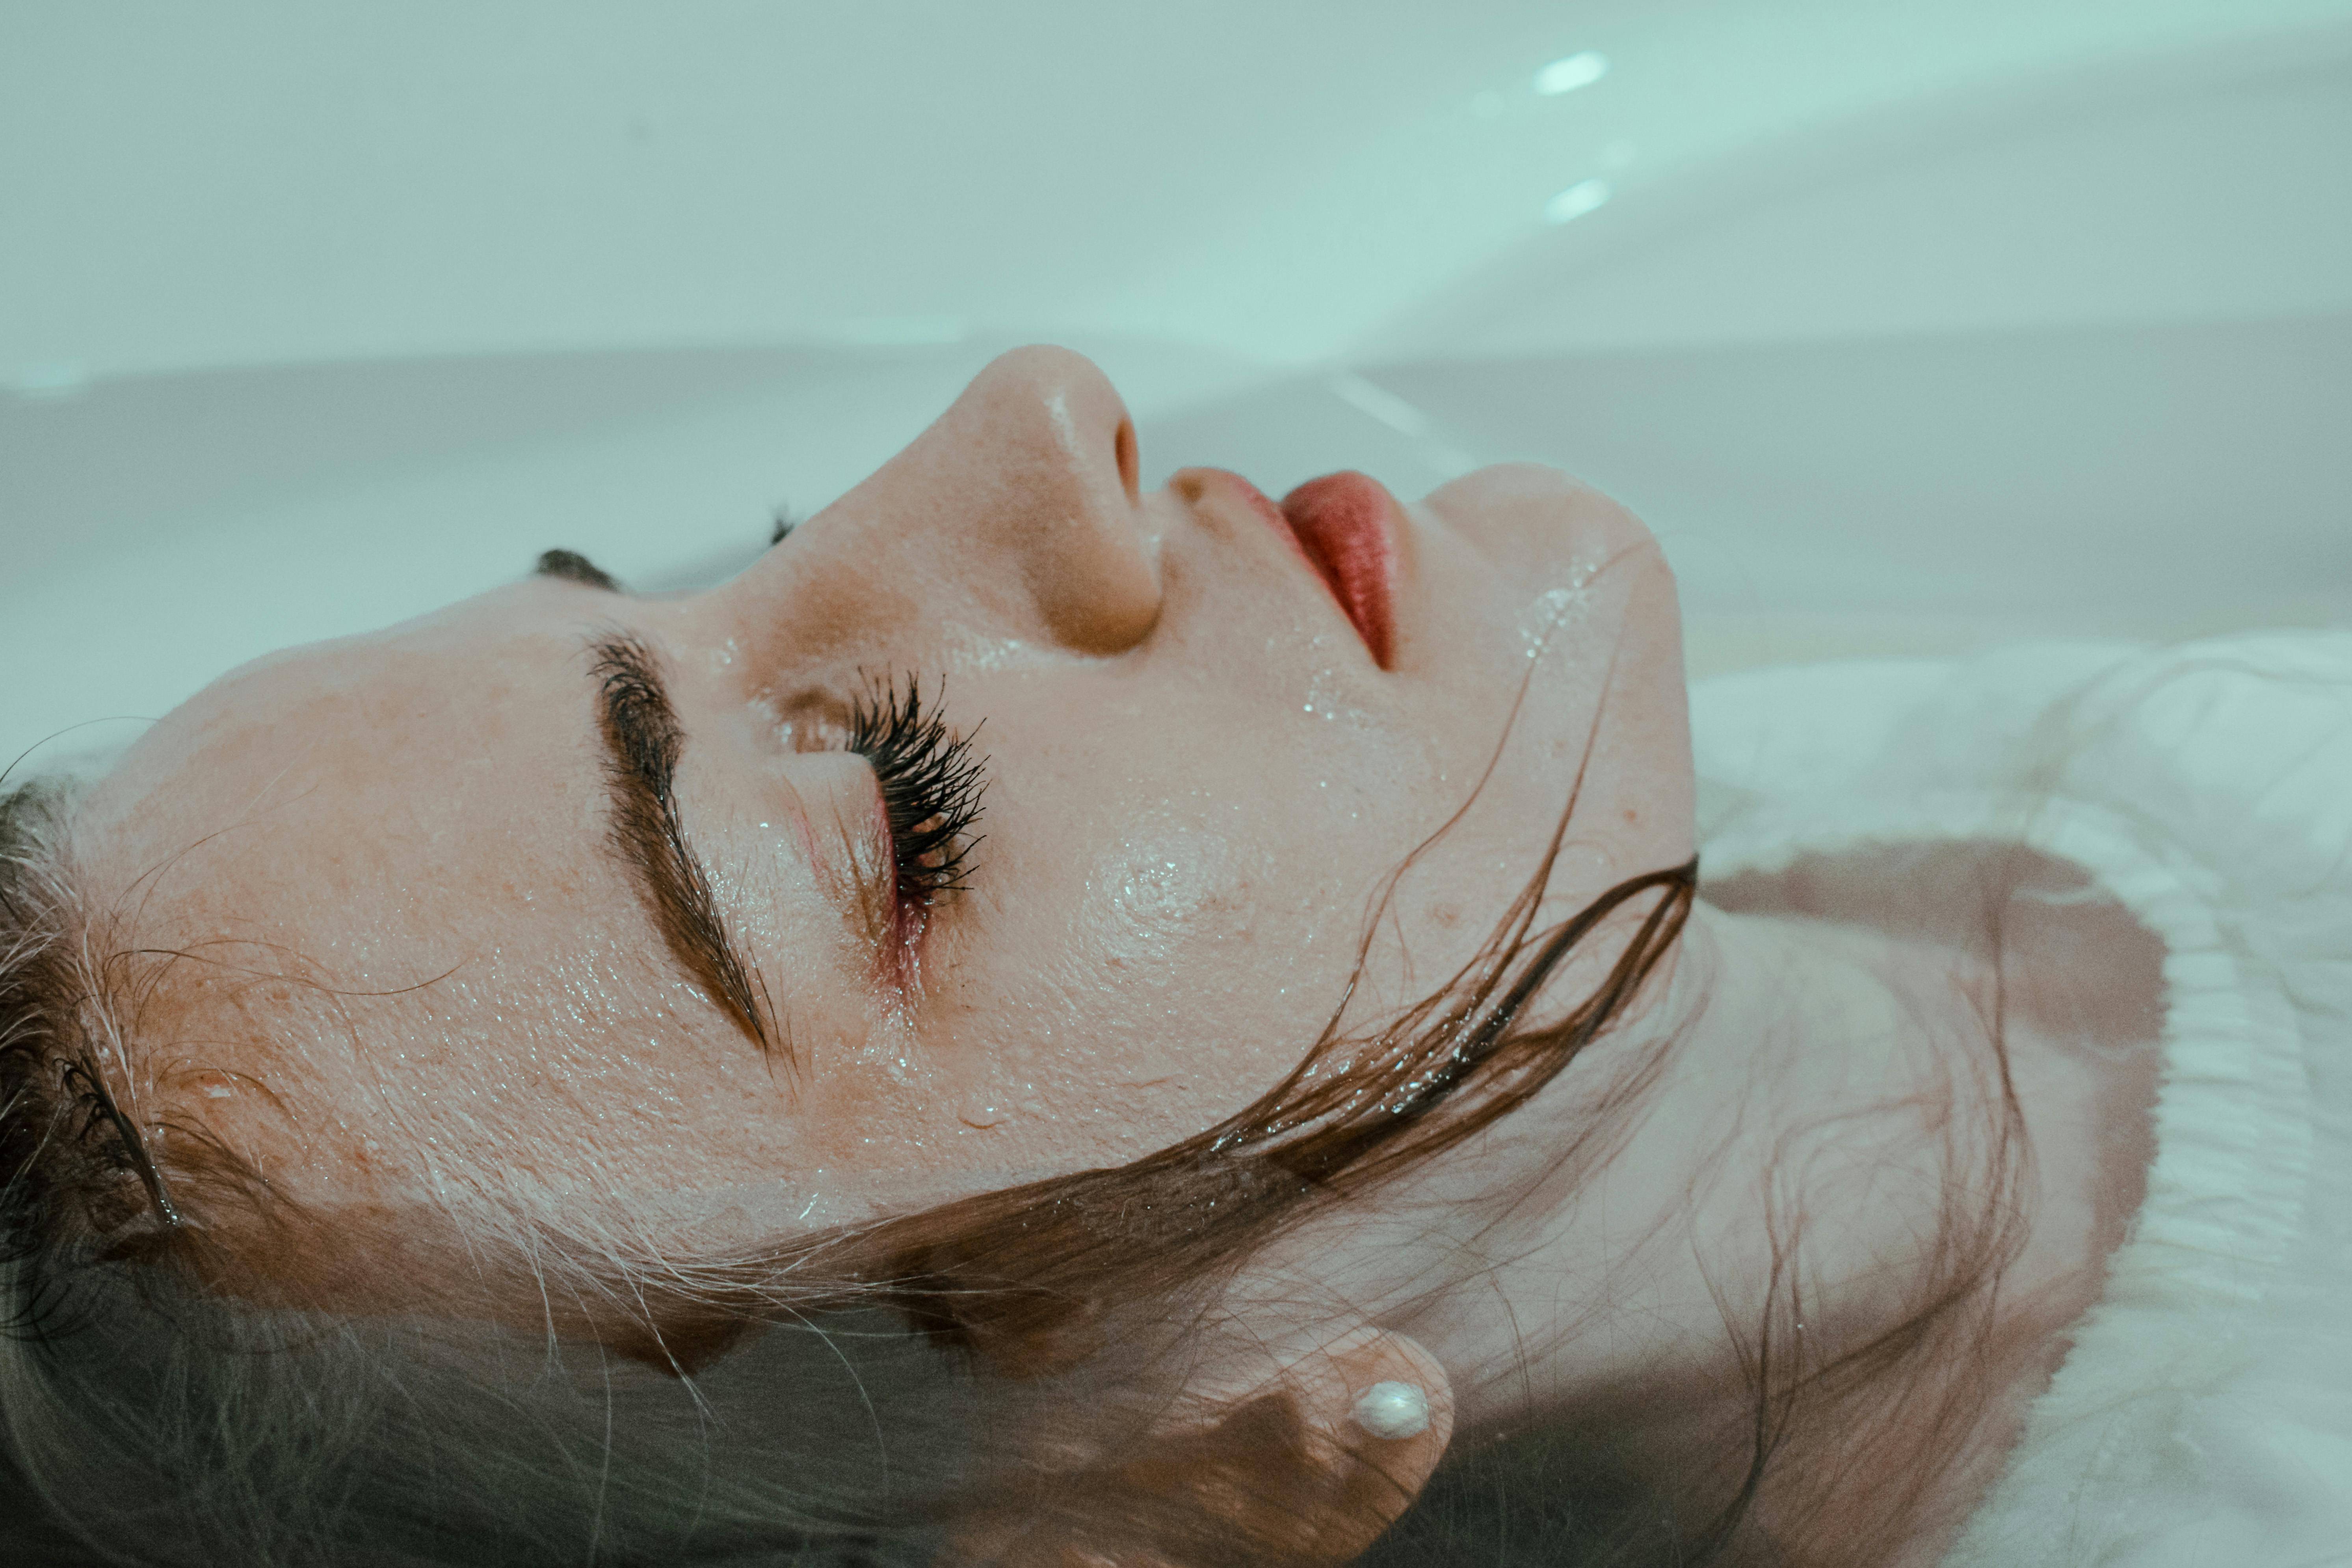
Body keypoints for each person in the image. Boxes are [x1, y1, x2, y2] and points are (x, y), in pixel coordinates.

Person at [2, 346, 2346, 1566]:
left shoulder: (1663, 804)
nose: (1025, 419)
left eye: (740, 552)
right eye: (899, 803)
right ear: (1163, 1500)